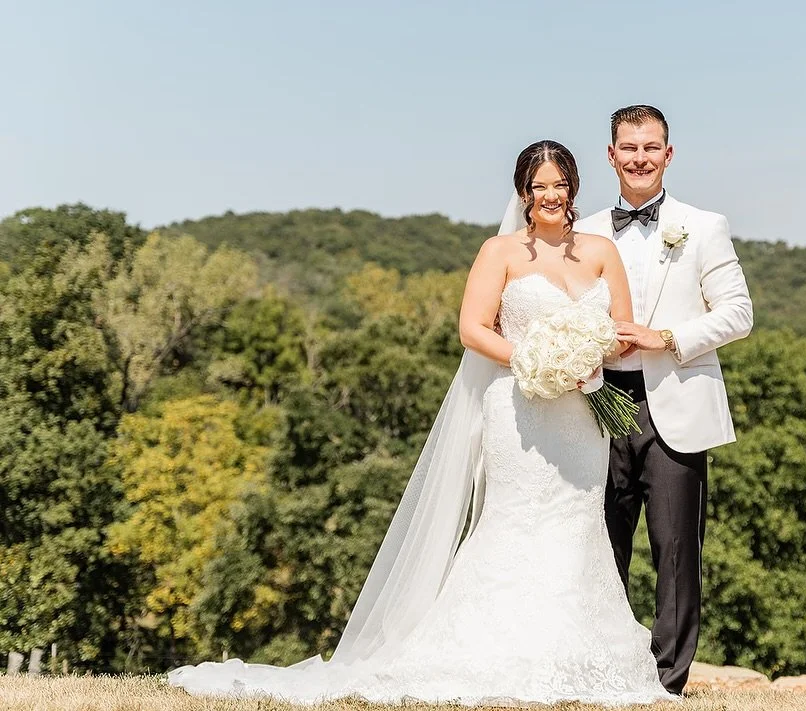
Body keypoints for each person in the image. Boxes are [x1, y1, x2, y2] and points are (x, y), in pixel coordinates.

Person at [166, 140, 674, 705]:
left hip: (583, 414)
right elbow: (473, 329)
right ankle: (488, 655)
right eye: (539, 186)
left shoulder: (602, 251)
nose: (550, 196)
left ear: (574, 187)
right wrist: (531, 357)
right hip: (521, 410)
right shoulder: (500, 251)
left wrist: (589, 357)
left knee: (576, 525)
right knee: (516, 523)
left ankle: (578, 658)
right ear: (523, 194)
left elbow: (621, 332)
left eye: (560, 185)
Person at [574, 105, 754, 694]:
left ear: (668, 154)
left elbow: (738, 313)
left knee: (676, 547)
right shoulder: (585, 230)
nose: (640, 158)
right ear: (611, 154)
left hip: (673, 399)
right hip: (598, 398)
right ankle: (603, 667)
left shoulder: (703, 226)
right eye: (629, 147)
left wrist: (670, 337)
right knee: (602, 541)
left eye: (651, 147)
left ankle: (665, 681)